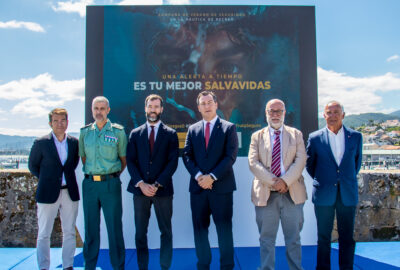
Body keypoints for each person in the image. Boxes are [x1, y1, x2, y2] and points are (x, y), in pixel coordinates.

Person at [182, 91, 239, 270]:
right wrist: (199, 176)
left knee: (224, 230)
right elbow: (187, 155)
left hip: (221, 188)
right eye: (203, 103)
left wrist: (212, 177)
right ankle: (203, 265)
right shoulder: (192, 129)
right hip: (198, 189)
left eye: (209, 102)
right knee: (200, 231)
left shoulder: (229, 127)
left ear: (216, 104)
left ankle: (227, 266)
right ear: (198, 107)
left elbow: (230, 157)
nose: (207, 106)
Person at [248, 99, 307, 270]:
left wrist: (286, 181)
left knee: (294, 239)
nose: (275, 114)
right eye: (271, 111)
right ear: (266, 113)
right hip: (266, 194)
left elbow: (301, 160)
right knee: (266, 239)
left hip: (292, 193)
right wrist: (275, 182)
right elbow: (253, 163)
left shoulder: (296, 135)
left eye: (278, 111)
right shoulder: (256, 136)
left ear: (284, 113)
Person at [306, 101, 363, 270]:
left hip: (347, 194)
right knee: (323, 237)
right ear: (324, 115)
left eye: (336, 112)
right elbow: (311, 165)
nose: (332, 116)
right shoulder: (315, 138)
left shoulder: (356, 136)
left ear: (343, 115)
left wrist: (342, 179)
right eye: (329, 112)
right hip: (324, 194)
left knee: (347, 237)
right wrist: (325, 180)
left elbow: (356, 164)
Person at [126, 94, 179, 270]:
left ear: (162, 109)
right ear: (145, 108)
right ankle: (143, 267)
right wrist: (141, 183)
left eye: (156, 107)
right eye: (150, 106)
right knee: (140, 233)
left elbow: (172, 162)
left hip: (162, 191)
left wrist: (156, 185)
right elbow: (131, 161)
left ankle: (165, 267)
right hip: (140, 191)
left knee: (166, 232)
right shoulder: (135, 133)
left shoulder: (171, 134)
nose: (153, 110)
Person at [79, 96, 127, 270]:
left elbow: (123, 160)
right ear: (92, 110)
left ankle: (118, 266)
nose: (98, 112)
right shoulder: (85, 133)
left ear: (108, 110)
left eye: (102, 108)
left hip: (110, 185)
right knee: (90, 229)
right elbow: (84, 158)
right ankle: (89, 266)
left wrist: (110, 175)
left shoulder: (118, 132)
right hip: (90, 185)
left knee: (114, 228)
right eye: (95, 109)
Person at [28, 108, 79, 270]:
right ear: (50, 123)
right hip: (47, 192)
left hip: (69, 192)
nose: (59, 124)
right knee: (44, 233)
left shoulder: (74, 143)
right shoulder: (41, 143)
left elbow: (73, 164)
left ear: (67, 122)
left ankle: (68, 265)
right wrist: (49, 180)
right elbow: (33, 166)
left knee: (69, 231)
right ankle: (44, 266)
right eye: (56, 121)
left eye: (63, 120)